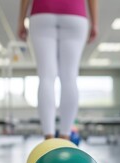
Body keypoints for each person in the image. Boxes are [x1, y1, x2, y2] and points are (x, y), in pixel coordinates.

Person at [18, 0, 98, 140]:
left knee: (46, 77)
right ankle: (65, 136)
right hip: (75, 12)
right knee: (69, 77)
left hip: (42, 12)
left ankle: (48, 137)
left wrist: (21, 20)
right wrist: (94, 23)